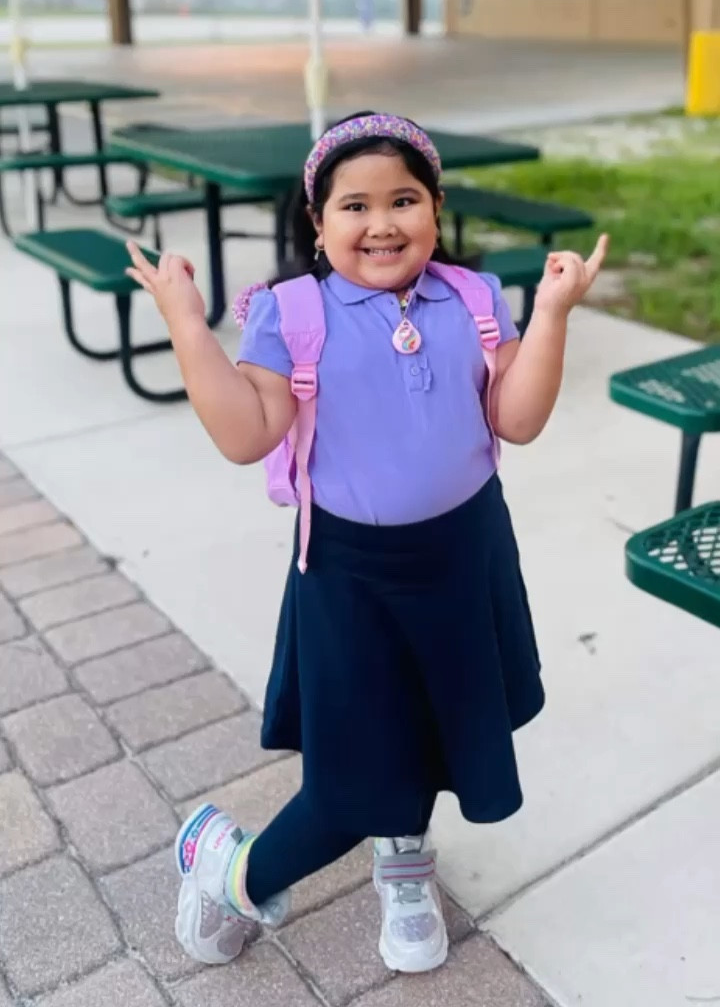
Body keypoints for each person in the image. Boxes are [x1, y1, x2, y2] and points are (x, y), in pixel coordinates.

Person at [126, 111, 608, 976]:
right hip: (352, 576)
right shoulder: (291, 312)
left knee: (428, 725)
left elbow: (516, 419)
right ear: (318, 222)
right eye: (354, 205)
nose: (381, 222)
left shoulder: (472, 297)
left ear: (436, 207)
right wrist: (188, 328)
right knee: (350, 778)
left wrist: (556, 314)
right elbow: (246, 433)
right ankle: (228, 871)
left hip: (466, 559)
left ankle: (404, 849)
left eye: (404, 200)